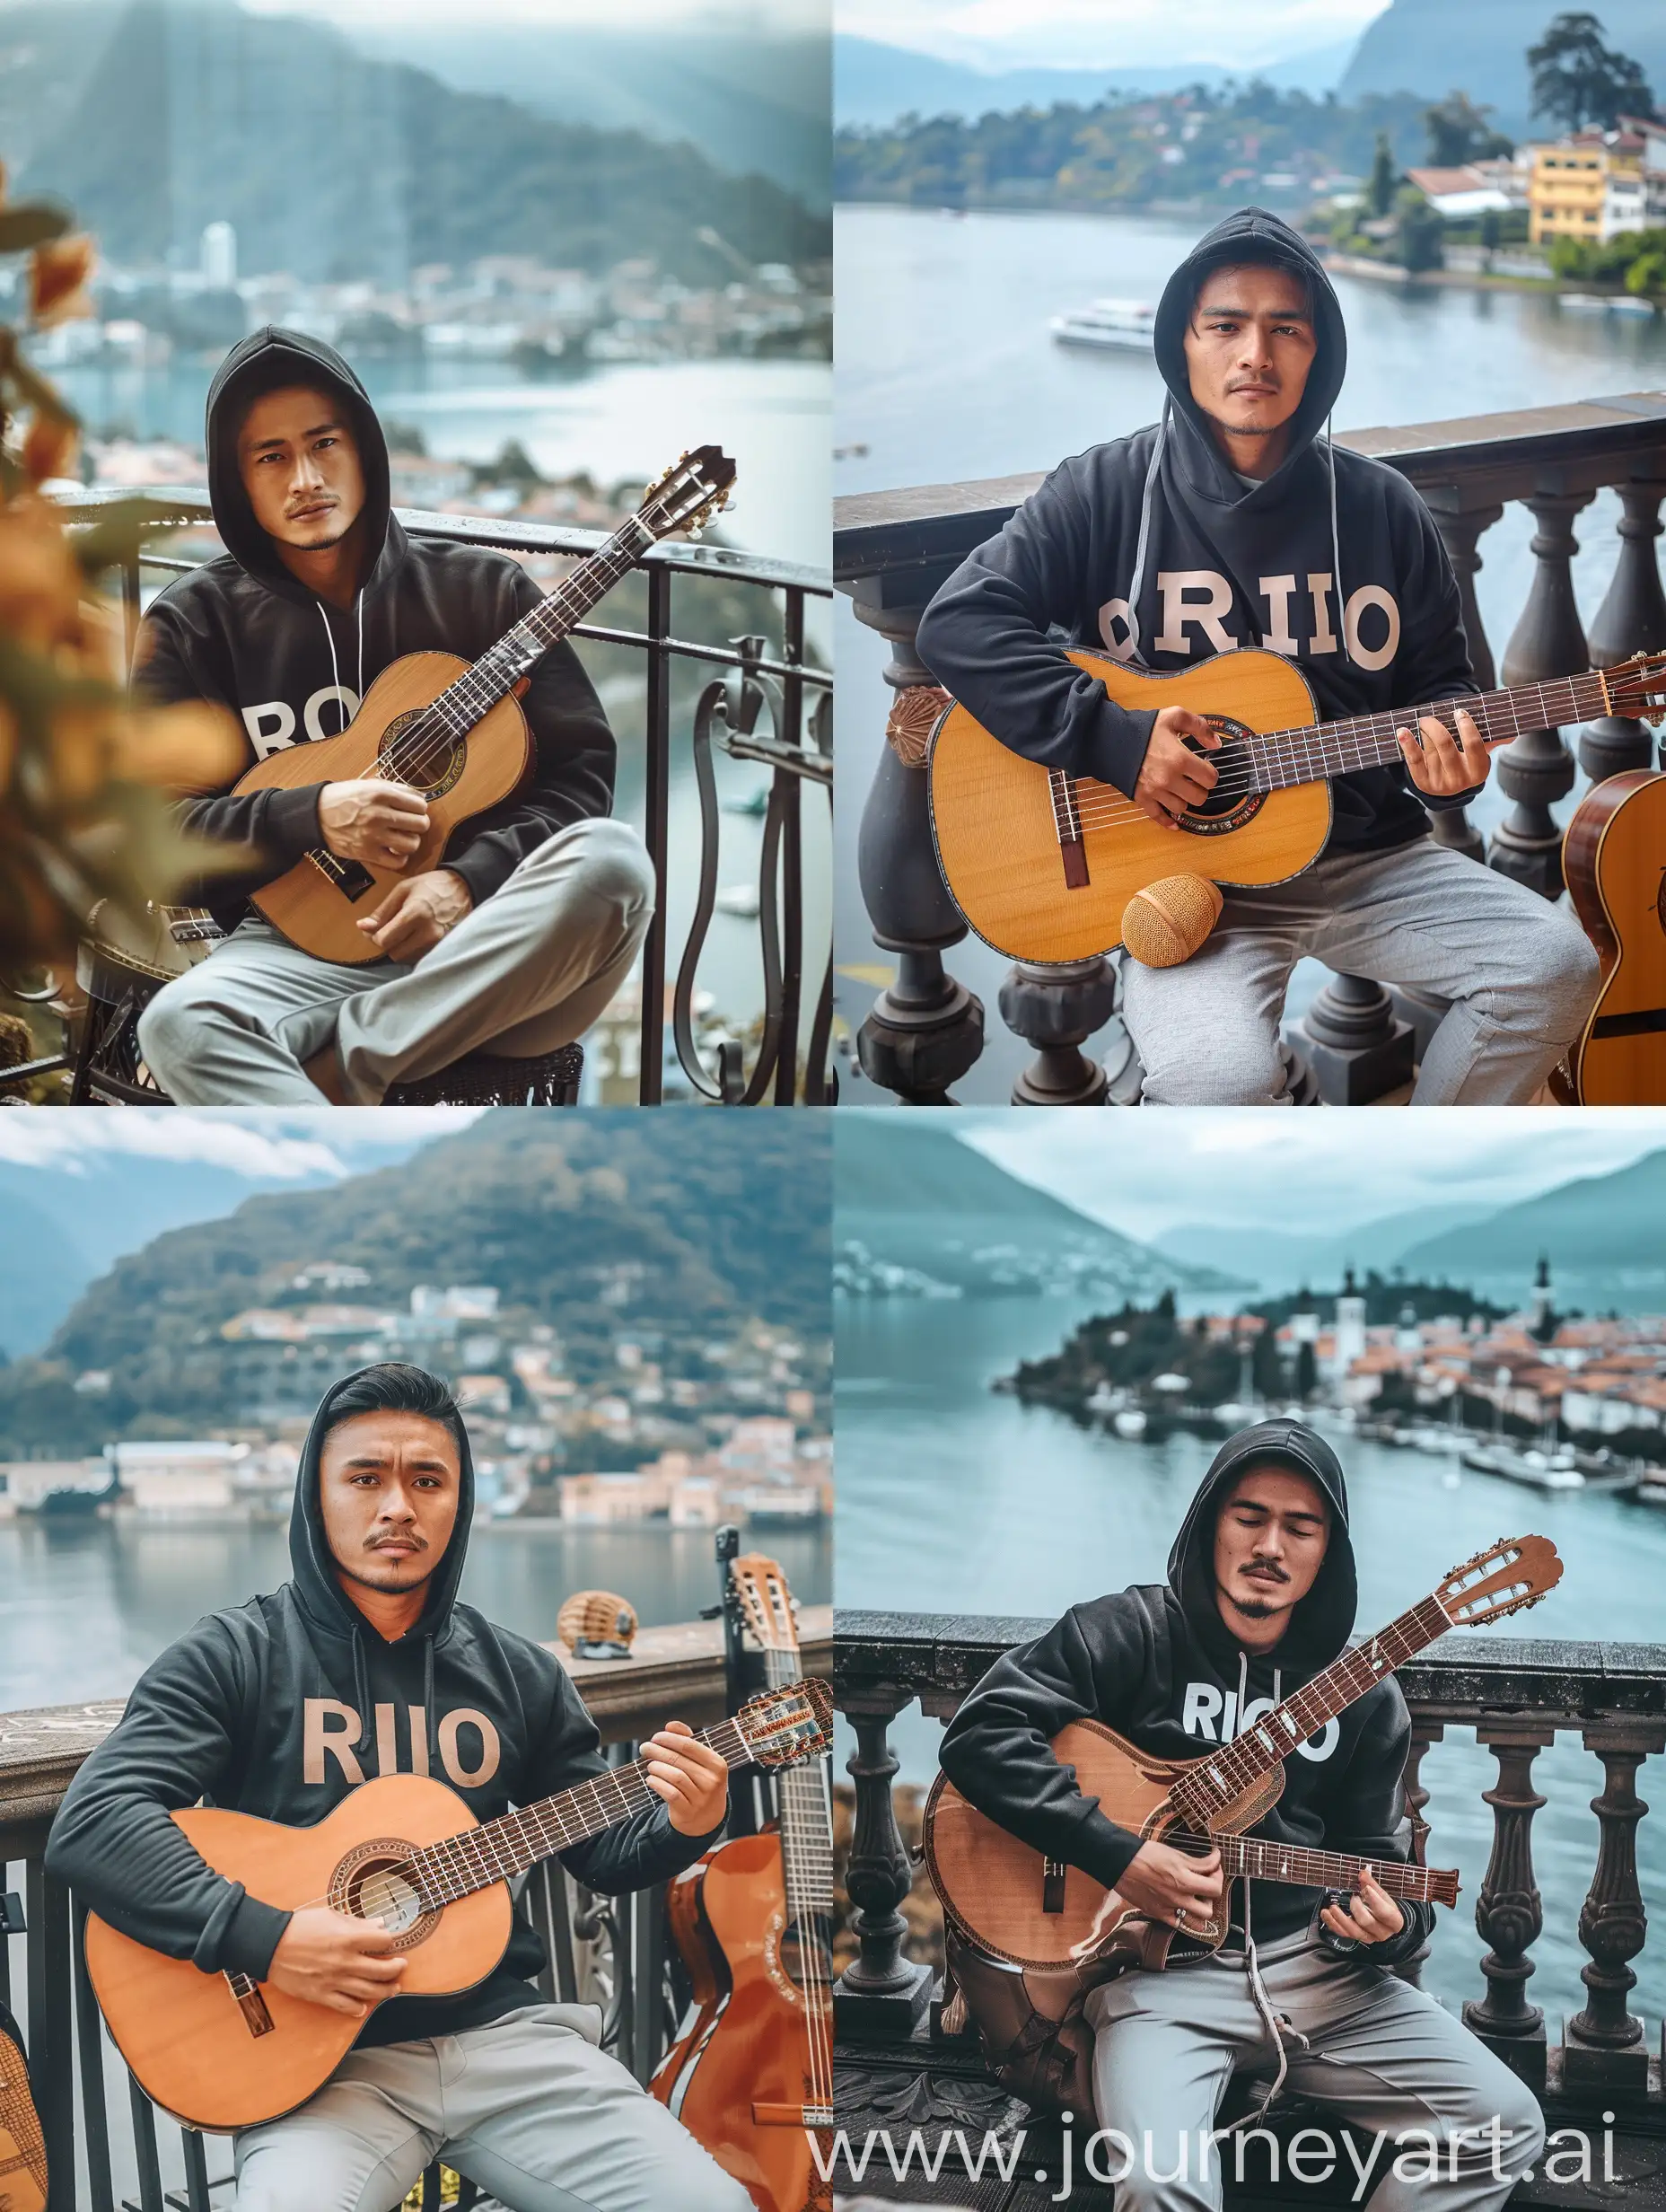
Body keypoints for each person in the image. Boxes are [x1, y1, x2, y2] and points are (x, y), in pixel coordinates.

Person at [916, 207, 1599, 1105]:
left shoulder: (1384, 508)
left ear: (1318, 354)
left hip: (1371, 858)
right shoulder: (1102, 490)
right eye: (1225, 326)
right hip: (1182, 880)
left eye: (1286, 328)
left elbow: (1444, 685)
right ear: (1181, 344)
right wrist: (1115, 743)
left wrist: (1448, 778)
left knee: (1556, 966)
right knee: (1216, 1080)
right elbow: (957, 621)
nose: (1254, 355)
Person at [47, 1364, 750, 2212]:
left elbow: (604, 1853)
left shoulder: (521, 1674)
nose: (397, 1508)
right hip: (320, 2066)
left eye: (427, 1480)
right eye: (366, 1478)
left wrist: (688, 1822)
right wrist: (266, 1939)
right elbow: (95, 1821)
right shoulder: (235, 1654)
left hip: (507, 2041)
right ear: (317, 1494)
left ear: (460, 1502)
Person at [936, 1419, 1546, 2212]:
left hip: (1318, 1976)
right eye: (1248, 1516)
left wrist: (1385, 1928)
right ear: (1208, 1524)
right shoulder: (1128, 1632)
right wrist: (1117, 1855)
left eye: (1302, 1526)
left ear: (1330, 1550)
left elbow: (1375, 1861)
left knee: (1506, 2124)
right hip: (1159, 1984)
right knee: (1158, 2186)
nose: (1271, 1546)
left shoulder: (1364, 1694)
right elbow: (980, 1736)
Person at [131, 327, 655, 1104]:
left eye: (325, 444)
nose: (306, 479)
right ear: (236, 480)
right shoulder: (193, 625)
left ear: (365, 449)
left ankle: (347, 1068)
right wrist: (309, 813)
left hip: (486, 949)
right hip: (294, 949)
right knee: (177, 1025)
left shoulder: (484, 594)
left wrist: (466, 883)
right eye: (271, 457)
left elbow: (581, 786)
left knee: (615, 866)